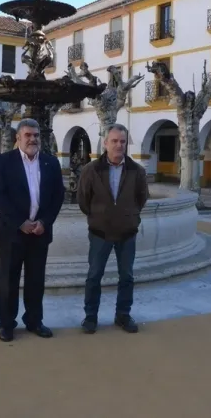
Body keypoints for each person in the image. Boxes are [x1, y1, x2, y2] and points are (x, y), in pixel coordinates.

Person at [0, 118, 65, 342]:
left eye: (36, 135)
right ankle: (6, 324)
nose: (33, 139)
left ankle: (34, 321)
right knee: (7, 281)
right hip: (11, 233)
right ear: (18, 138)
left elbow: (58, 197)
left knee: (36, 281)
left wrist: (45, 222)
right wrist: (20, 222)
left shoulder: (51, 163)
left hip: (39, 234)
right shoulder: (4, 162)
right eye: (28, 135)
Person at [76, 123, 149, 334]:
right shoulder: (91, 170)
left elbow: (141, 198)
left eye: (123, 141)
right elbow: (83, 200)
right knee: (94, 276)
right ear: (105, 143)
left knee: (126, 276)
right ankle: (90, 317)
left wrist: (128, 217)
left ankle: (123, 315)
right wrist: (99, 216)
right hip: (100, 233)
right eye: (115, 141)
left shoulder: (137, 171)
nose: (119, 145)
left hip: (127, 233)